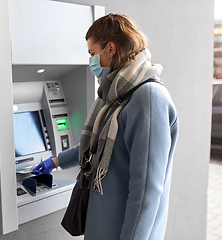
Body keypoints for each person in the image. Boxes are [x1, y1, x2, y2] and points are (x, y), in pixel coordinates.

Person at [32, 13, 178, 240]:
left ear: (110, 48)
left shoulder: (148, 99)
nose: (90, 60)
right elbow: (94, 146)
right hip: (102, 226)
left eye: (92, 53)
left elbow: (147, 191)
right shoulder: (115, 94)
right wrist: (56, 161)